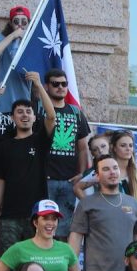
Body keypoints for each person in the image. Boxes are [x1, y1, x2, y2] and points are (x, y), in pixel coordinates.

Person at [0, 74, 56, 253]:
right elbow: (0, 180)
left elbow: (51, 116)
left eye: (28, 112)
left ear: (35, 117)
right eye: (19, 112)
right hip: (9, 215)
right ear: (12, 118)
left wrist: (38, 85)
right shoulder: (4, 146)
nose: (24, 115)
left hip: (36, 215)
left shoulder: (41, 140)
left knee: (34, 263)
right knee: (8, 261)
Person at [43, 68, 91, 238]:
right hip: (45, 179)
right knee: (42, 224)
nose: (60, 87)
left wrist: (82, 174)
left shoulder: (76, 112)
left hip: (69, 180)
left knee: (64, 228)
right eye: (55, 84)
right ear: (46, 86)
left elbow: (83, 147)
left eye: (64, 84)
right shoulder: (39, 109)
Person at [0, 5, 31, 116]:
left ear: (29, 23)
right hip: (3, 104)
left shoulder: (31, 42)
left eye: (24, 22)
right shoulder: (3, 38)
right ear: (10, 23)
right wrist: (13, 36)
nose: (20, 25)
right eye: (16, 21)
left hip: (23, 105)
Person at [110, 130, 137, 209]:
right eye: (123, 145)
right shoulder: (108, 170)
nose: (128, 149)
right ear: (114, 148)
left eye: (131, 145)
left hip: (133, 215)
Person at [74, 132, 112, 200]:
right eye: (95, 149)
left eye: (103, 146)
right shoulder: (90, 173)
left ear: (110, 146)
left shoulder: (120, 167)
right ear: (92, 153)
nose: (100, 151)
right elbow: (78, 189)